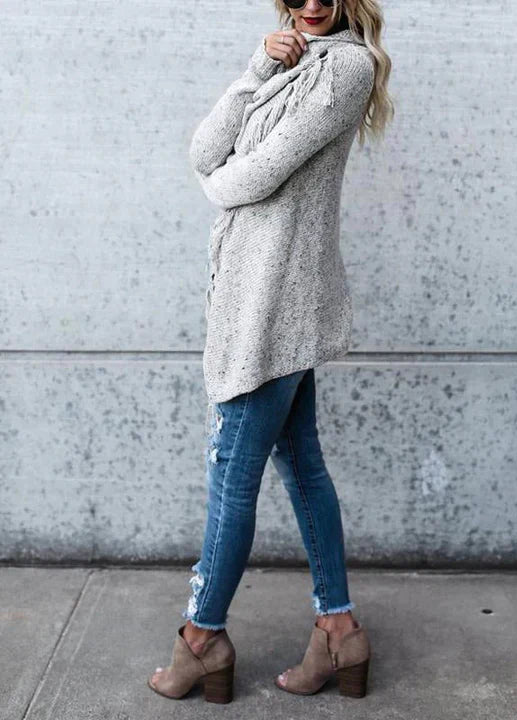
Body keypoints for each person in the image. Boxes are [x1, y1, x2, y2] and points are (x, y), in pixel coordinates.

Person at [148, 0, 393, 703]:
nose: (312, 2)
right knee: (302, 464)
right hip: (263, 298)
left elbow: (253, 176)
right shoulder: (290, 60)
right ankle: (339, 630)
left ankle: (202, 638)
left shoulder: (346, 67)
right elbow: (206, 150)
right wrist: (257, 68)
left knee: (232, 474)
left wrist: (214, 187)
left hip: (271, 306)